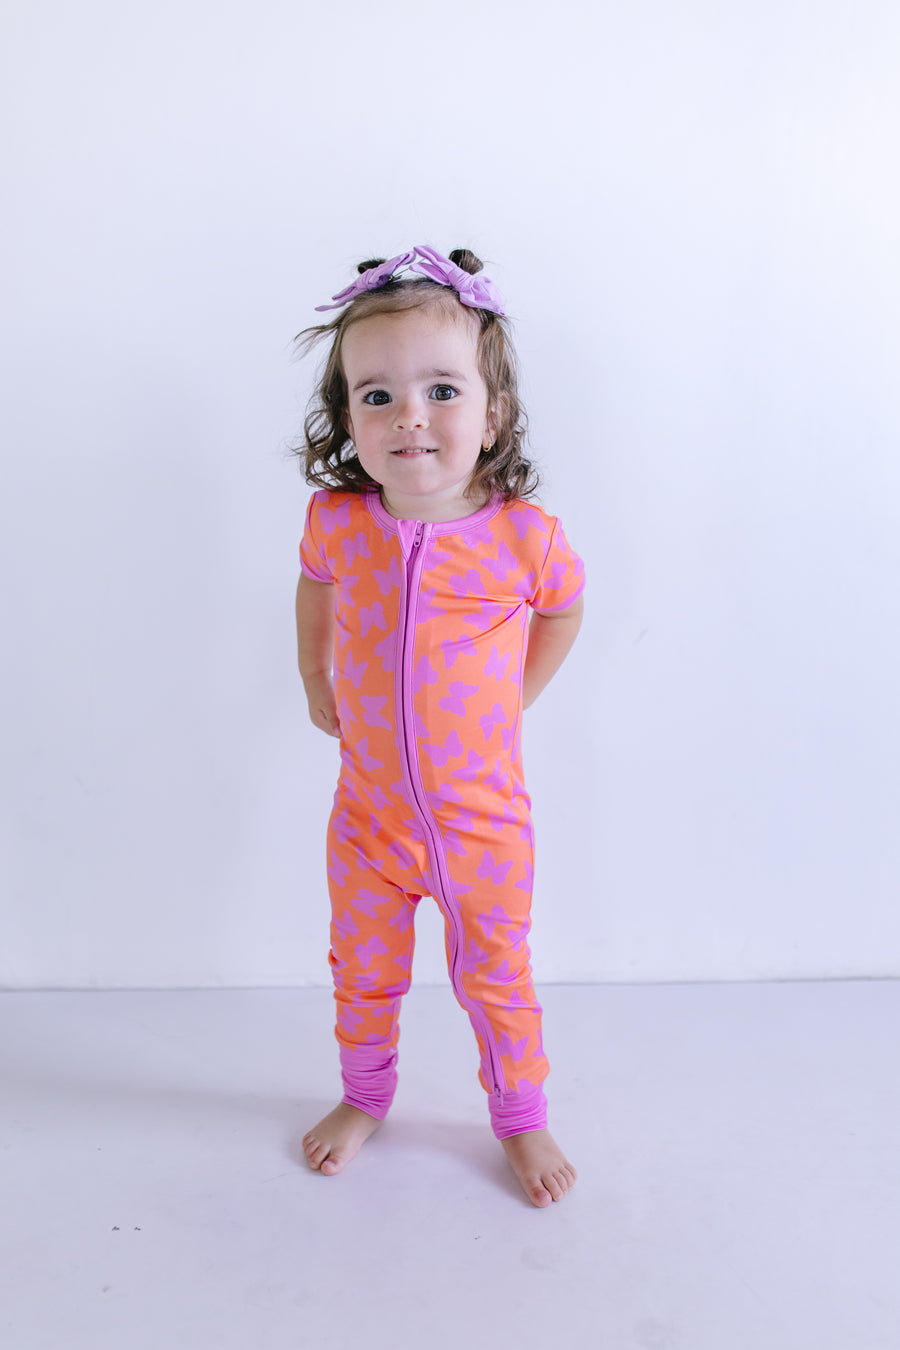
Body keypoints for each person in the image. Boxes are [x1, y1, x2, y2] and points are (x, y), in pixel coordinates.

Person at [293, 246, 585, 1208]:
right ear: (348, 418)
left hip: (480, 825)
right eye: (375, 395)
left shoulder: (524, 537)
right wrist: (315, 670)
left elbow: (564, 610)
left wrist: (517, 695)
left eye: (442, 390)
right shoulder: (339, 522)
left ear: (492, 414)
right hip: (368, 819)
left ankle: (521, 1116)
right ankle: (364, 1095)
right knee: (361, 970)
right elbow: (315, 586)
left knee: (496, 977)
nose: (408, 415)